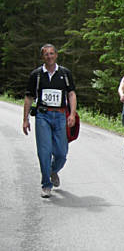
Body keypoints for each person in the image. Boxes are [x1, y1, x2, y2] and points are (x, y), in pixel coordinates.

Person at [23, 44, 77, 198]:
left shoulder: (65, 73)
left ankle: (52, 171)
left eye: (52, 53)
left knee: (61, 152)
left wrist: (72, 114)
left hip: (61, 116)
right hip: (43, 116)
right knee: (44, 151)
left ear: (56, 55)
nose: (49, 56)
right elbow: (29, 97)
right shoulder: (37, 75)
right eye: (46, 54)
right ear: (42, 57)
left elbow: (71, 94)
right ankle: (46, 184)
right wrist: (25, 119)